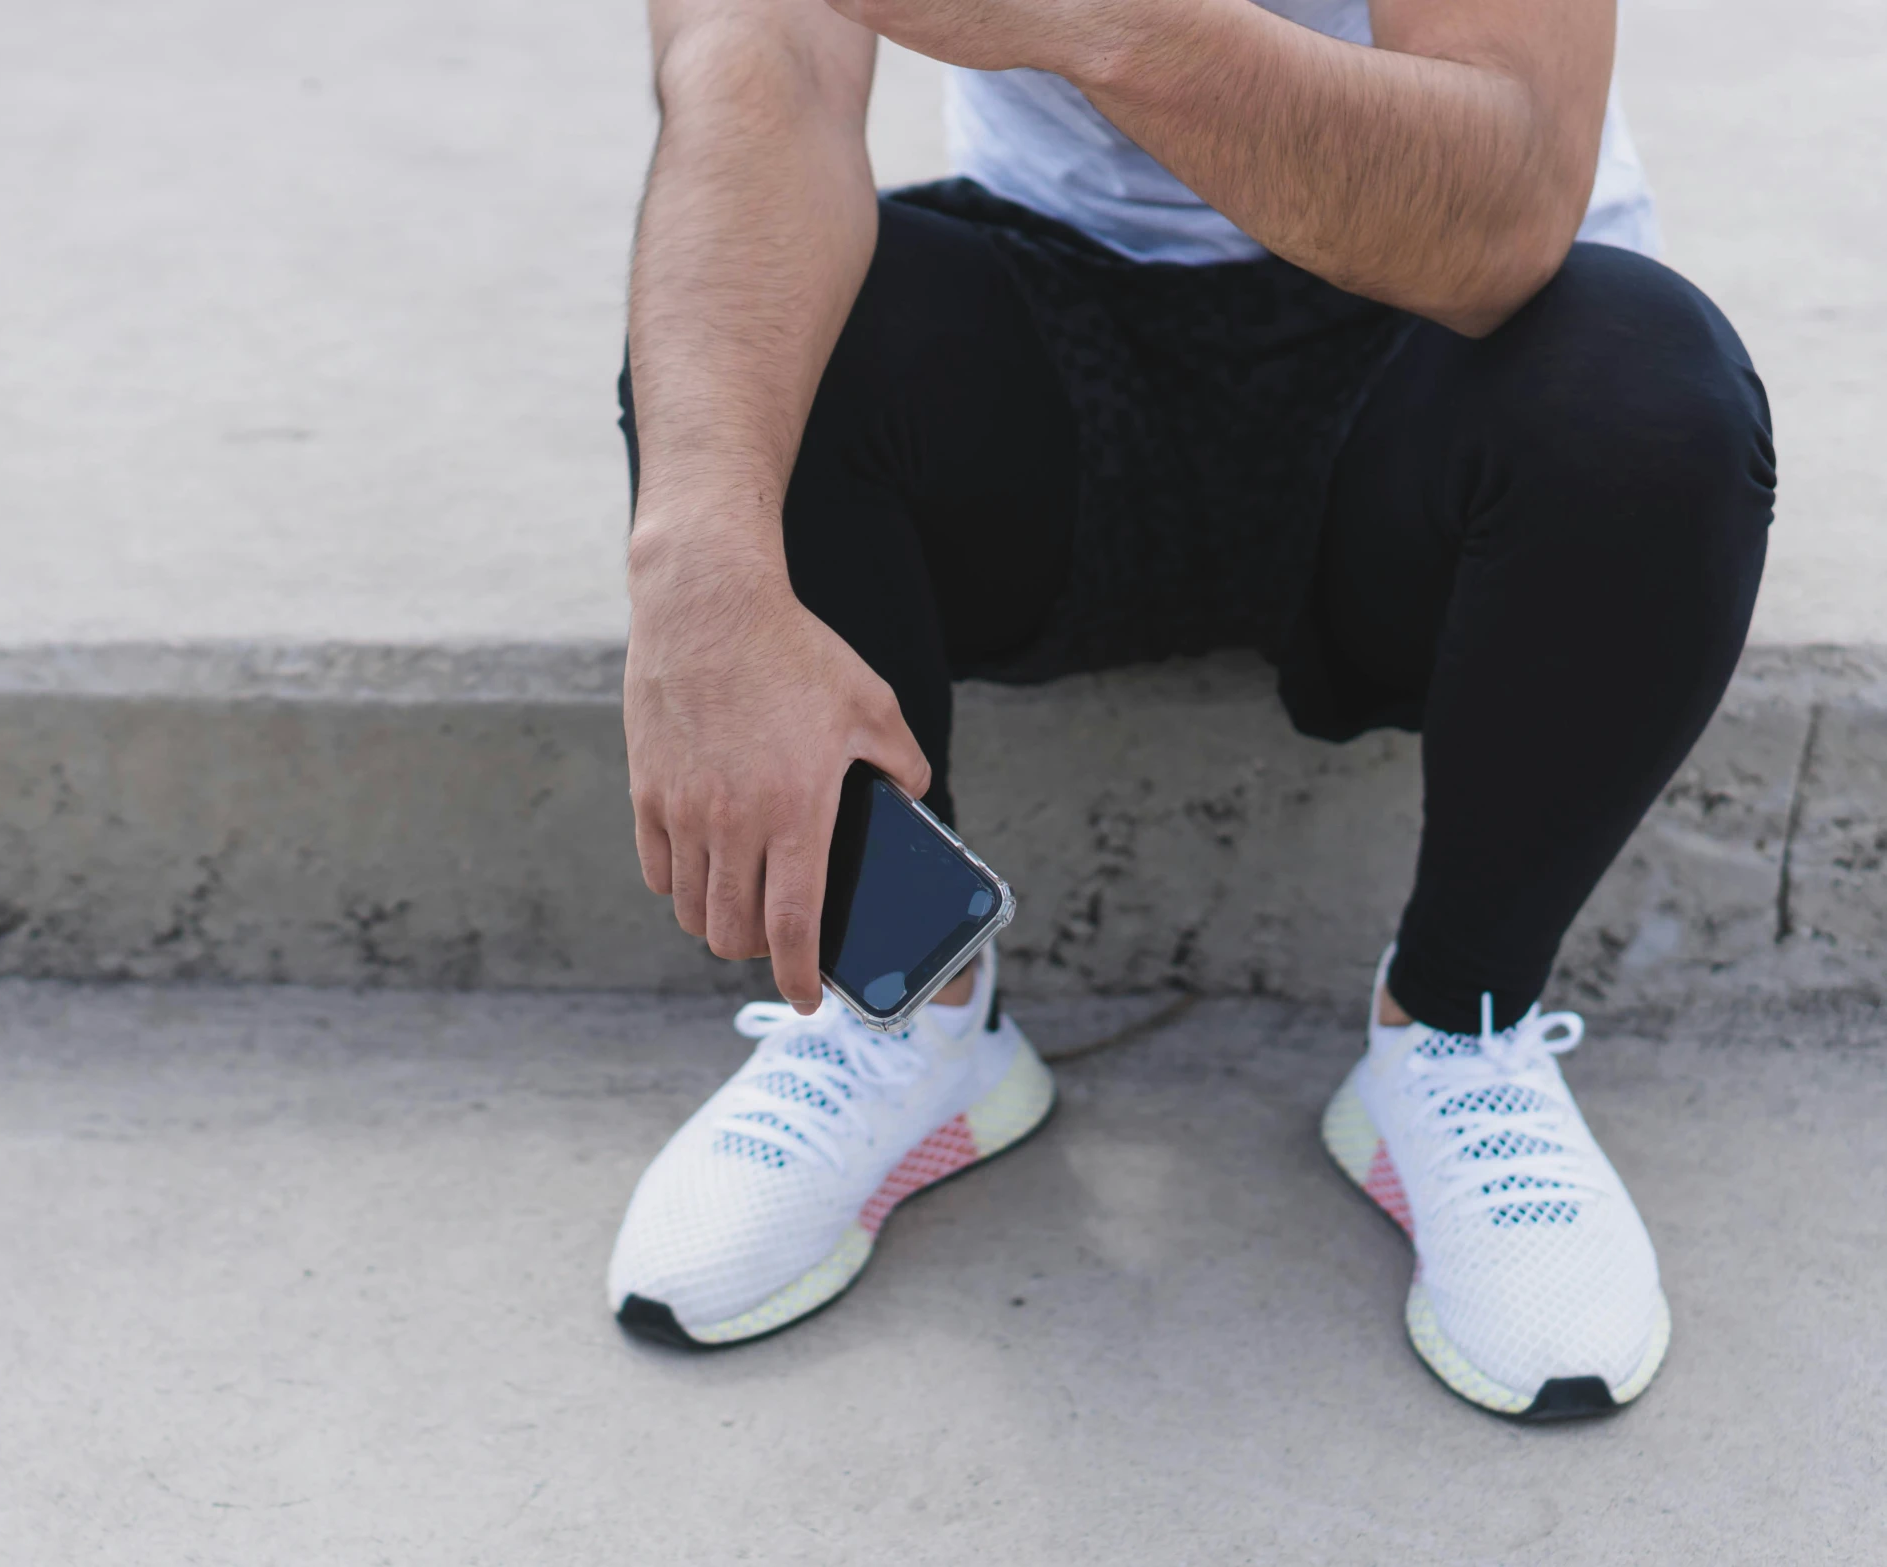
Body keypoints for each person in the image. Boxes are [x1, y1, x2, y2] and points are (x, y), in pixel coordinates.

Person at [601, 0, 1774, 1420]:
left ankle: (1458, 1029)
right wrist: (699, 566)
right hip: (1069, 326)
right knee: (766, 356)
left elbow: (1501, 203)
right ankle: (902, 1008)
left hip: (1439, 350)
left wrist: (1091, 17)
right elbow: (753, 80)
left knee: (1644, 390)